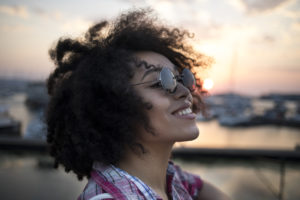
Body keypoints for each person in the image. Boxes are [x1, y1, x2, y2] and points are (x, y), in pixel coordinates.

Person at [46, 8, 230, 200]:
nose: (185, 91)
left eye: (181, 78)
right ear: (113, 107)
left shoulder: (174, 181)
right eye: (161, 82)